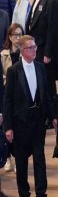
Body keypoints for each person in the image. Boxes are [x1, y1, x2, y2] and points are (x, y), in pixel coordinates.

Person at [3, 34, 53, 197]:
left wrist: (52, 116)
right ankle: (24, 196)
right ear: (23, 51)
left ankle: (41, 196)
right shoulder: (13, 71)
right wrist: (8, 127)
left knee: (40, 160)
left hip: (37, 121)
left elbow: (46, 95)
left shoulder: (40, 68)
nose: (34, 50)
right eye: (30, 48)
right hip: (20, 123)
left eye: (35, 47)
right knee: (22, 162)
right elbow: (7, 100)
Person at [26, 0, 58, 98]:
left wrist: (47, 53)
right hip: (36, 49)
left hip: (44, 53)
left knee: (47, 86)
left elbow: (53, 29)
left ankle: (51, 116)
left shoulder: (51, 0)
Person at [1, 22, 22, 173]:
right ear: (10, 37)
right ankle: (7, 158)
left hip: (21, 95)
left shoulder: (25, 53)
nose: (17, 38)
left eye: (20, 35)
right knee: (7, 127)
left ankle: (18, 156)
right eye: (15, 35)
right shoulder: (3, 55)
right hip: (7, 93)